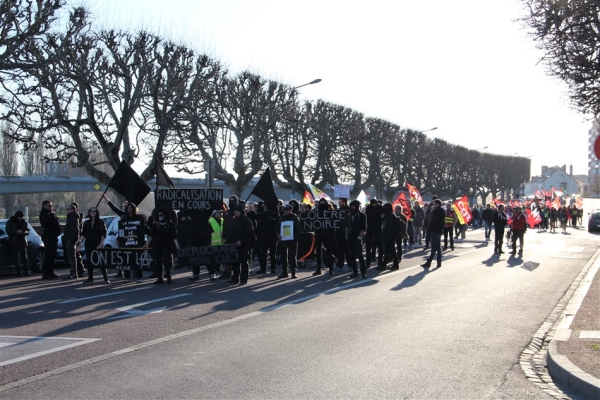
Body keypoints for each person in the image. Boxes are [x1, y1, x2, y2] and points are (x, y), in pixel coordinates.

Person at [144, 208, 180, 284]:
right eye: (158, 215)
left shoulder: (169, 224)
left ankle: (168, 276)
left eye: (161, 215)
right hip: (157, 245)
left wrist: (177, 245)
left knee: (167, 261)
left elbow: (174, 236)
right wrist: (147, 243)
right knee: (158, 262)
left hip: (167, 245)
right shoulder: (155, 225)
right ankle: (159, 278)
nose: (160, 216)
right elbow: (151, 235)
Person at [225, 205, 255, 285]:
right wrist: (227, 241)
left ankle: (243, 279)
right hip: (233, 245)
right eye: (235, 211)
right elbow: (229, 232)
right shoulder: (233, 221)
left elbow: (248, 233)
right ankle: (235, 278)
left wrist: (241, 241)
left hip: (243, 245)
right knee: (235, 262)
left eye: (238, 211)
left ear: (241, 212)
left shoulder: (246, 221)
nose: (236, 212)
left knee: (243, 262)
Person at [117, 203, 147, 282]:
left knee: (137, 261)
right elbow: (121, 230)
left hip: (137, 244)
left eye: (131, 208)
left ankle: (139, 277)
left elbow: (144, 229)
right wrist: (118, 239)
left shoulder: (139, 218)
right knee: (127, 261)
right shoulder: (124, 219)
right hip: (127, 244)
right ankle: (127, 277)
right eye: (128, 208)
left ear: (134, 209)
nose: (129, 209)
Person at [81, 207, 109, 284]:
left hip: (97, 244)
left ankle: (106, 278)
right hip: (89, 244)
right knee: (89, 262)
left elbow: (103, 234)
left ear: (97, 212)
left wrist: (101, 244)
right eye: (91, 211)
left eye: (94, 211)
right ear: (89, 212)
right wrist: (79, 244)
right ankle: (90, 278)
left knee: (101, 261)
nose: (93, 212)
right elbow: (83, 234)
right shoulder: (86, 223)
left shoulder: (101, 222)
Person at [312, 198, 337, 276]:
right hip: (319, 233)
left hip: (328, 233)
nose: (322, 204)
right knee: (318, 252)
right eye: (321, 203)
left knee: (329, 251)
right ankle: (318, 269)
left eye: (324, 203)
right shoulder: (316, 213)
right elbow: (312, 222)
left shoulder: (330, 213)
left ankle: (331, 268)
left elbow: (335, 222)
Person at [276, 204, 301, 279]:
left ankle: (293, 273)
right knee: (284, 257)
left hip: (292, 240)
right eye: (284, 210)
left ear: (290, 210)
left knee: (293, 257)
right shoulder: (281, 218)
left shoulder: (295, 218)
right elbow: (277, 229)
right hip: (283, 241)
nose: (285, 211)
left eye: (287, 210)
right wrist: (278, 235)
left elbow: (298, 229)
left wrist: (294, 237)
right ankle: (284, 272)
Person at [39, 200, 61, 279]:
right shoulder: (44, 214)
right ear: (44, 206)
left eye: (51, 206)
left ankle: (50, 272)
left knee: (52, 255)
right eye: (49, 206)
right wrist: (51, 215)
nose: (51, 207)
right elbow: (45, 223)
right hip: (48, 236)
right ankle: (46, 273)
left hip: (53, 236)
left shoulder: (50, 214)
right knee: (48, 255)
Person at [255, 202, 278, 275]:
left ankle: (273, 267)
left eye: (265, 205)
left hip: (272, 237)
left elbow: (277, 226)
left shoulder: (274, 215)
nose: (264, 207)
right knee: (263, 253)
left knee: (272, 253)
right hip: (264, 237)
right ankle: (263, 268)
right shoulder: (262, 214)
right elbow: (255, 216)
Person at [346, 200, 367, 278]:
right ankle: (355, 272)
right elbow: (347, 227)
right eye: (351, 206)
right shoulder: (349, 215)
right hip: (350, 238)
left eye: (354, 206)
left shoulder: (362, 215)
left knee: (360, 255)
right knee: (352, 256)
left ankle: (363, 272)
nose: (352, 207)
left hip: (358, 237)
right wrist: (347, 236)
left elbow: (364, 227)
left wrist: (359, 237)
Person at [421, 199, 444, 269]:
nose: (433, 205)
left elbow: (435, 222)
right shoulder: (440, 211)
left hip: (435, 231)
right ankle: (439, 262)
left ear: (437, 204)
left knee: (433, 248)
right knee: (438, 247)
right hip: (438, 231)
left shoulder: (437, 212)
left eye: (434, 204)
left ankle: (429, 262)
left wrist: (431, 229)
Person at [6, 210, 31, 276]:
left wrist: (25, 232)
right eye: (19, 217)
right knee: (16, 257)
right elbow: (8, 231)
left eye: (21, 217)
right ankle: (19, 271)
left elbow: (28, 230)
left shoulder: (24, 222)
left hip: (22, 240)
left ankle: (27, 271)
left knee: (24, 257)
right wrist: (16, 232)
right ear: (16, 216)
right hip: (14, 241)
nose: (20, 219)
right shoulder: (10, 222)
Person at [380, 203, 400, 272]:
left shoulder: (391, 216)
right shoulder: (388, 215)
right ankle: (384, 264)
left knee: (392, 250)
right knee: (388, 251)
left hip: (390, 236)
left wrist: (387, 237)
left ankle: (396, 264)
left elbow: (391, 228)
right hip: (389, 236)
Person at [63, 203, 81, 279]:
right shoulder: (71, 217)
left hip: (71, 240)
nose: (67, 210)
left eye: (68, 209)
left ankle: (73, 273)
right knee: (71, 257)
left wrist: (70, 240)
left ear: (73, 210)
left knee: (72, 257)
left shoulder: (73, 219)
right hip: (69, 239)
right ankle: (73, 272)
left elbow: (75, 231)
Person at [365, 199, 383, 266]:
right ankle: (368, 261)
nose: (374, 205)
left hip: (378, 228)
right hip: (370, 228)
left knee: (379, 245)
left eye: (375, 204)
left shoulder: (379, 208)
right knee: (368, 246)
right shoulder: (369, 208)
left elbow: (382, 214)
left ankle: (379, 261)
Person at [334, 197, 350, 270]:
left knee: (347, 250)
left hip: (346, 232)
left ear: (344, 202)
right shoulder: (339, 210)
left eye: (340, 201)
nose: (339, 202)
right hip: (339, 232)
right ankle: (340, 265)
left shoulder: (348, 210)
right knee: (339, 250)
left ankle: (350, 265)